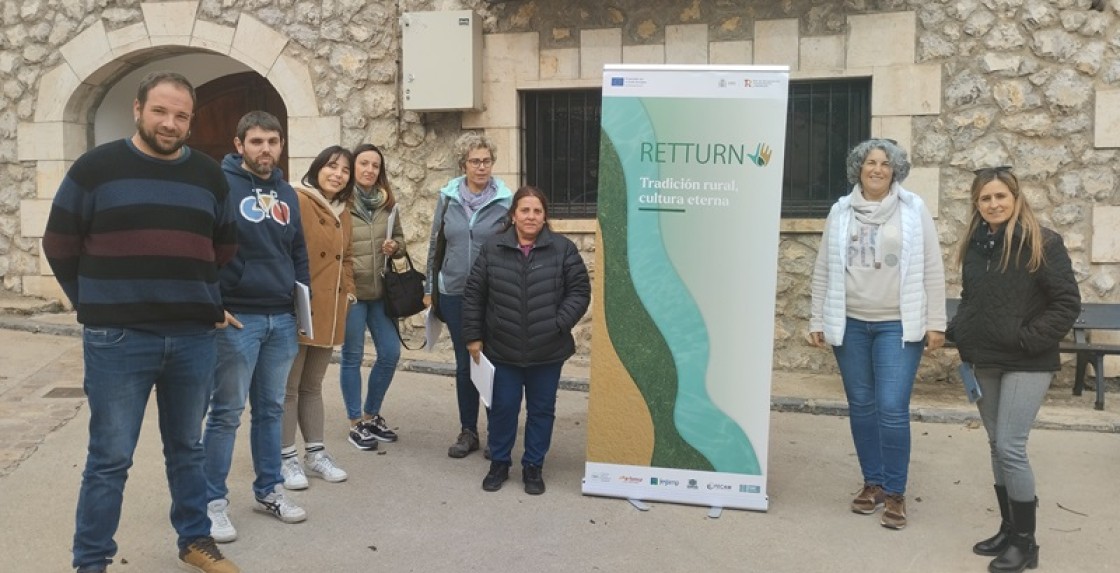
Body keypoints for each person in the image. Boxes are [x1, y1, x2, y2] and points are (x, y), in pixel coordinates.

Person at [42, 71, 240, 573]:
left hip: (193, 337)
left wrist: (188, 290)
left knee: (187, 449)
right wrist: (94, 302)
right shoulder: (95, 169)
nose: (170, 123)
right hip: (118, 339)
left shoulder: (210, 175)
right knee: (110, 458)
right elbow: (59, 243)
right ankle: (91, 561)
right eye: (160, 111)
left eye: (181, 115)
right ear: (137, 109)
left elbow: (224, 247)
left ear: (190, 122)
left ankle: (195, 540)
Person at [808, 138, 946, 530]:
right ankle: (873, 483)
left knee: (891, 406)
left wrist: (936, 322)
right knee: (862, 405)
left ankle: (897, 491)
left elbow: (931, 267)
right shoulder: (840, 211)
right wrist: (817, 318)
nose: (877, 169)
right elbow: (824, 268)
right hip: (851, 324)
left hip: (897, 327)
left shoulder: (913, 209)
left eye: (886, 163)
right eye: (870, 162)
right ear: (859, 168)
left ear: (895, 170)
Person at [947, 167, 1079, 572]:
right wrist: (959, 335)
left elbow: (1066, 304)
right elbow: (972, 299)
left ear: (1016, 197)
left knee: (1010, 446)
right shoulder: (974, 244)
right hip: (983, 359)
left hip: (1027, 360)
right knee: (995, 445)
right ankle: (1008, 528)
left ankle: (1027, 542)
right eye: (985, 198)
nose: (994, 204)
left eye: (1001, 196)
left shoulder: (1043, 242)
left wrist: (1026, 339)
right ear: (977, 204)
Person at [203, 111, 310, 544]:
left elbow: (298, 251)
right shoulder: (221, 187)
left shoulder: (287, 192)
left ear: (281, 145)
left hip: (281, 317)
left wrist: (302, 308)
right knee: (226, 413)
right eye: (257, 141)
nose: (265, 149)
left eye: (273, 141)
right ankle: (211, 503)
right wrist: (213, 303)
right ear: (239, 144)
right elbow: (202, 248)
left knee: (270, 410)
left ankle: (269, 490)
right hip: (238, 318)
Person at [462, 186, 591, 494]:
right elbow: (474, 294)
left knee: (541, 410)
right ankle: (500, 463)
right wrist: (473, 336)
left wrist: (558, 323)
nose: (531, 216)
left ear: (545, 216)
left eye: (537, 211)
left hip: (548, 349)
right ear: (514, 214)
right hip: (502, 348)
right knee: (503, 408)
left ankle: (533, 466)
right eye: (525, 210)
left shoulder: (563, 249)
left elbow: (579, 291)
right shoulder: (493, 248)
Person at [424, 132, 514, 458]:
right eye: (475, 161)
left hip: (494, 294)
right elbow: (437, 244)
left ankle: (496, 434)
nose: (481, 167)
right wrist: (429, 289)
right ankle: (468, 432)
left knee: (491, 362)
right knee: (465, 364)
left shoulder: (506, 200)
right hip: (454, 292)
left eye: (486, 161)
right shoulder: (448, 198)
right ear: (463, 164)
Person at [279, 146, 357, 489]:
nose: (337, 174)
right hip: (300, 305)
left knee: (313, 385)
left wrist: (349, 291)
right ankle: (284, 458)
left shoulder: (345, 211)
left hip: (330, 310)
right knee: (288, 388)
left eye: (344, 170)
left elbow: (348, 258)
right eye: (331, 166)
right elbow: (281, 248)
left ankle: (315, 454)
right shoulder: (297, 198)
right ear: (317, 167)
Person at [339, 143, 405, 450]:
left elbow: (401, 242)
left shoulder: (387, 204)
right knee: (352, 358)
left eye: (375, 165)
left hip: (380, 293)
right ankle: (355, 423)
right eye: (363, 163)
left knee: (390, 353)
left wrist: (396, 248)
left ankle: (371, 414)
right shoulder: (340, 203)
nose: (369, 170)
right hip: (353, 294)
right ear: (353, 167)